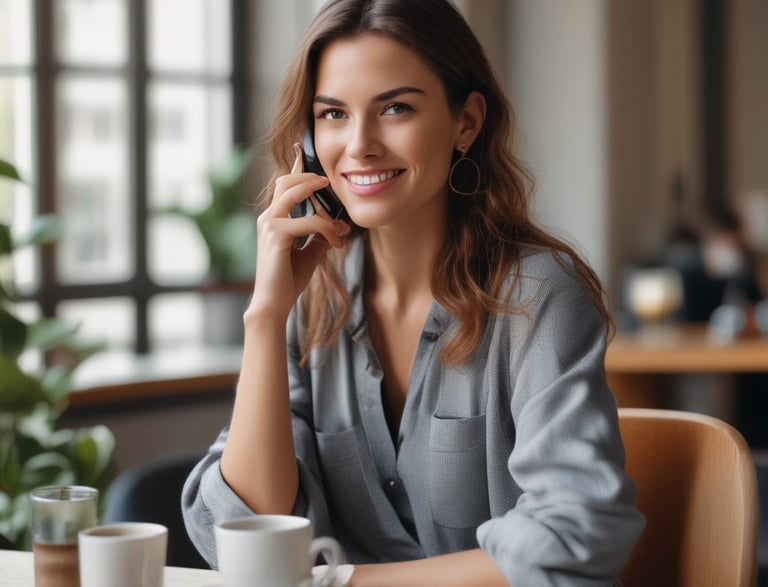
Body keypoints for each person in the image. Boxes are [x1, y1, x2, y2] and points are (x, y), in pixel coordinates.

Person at [181, 0, 645, 585]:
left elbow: (574, 539)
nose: (360, 145)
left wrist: (343, 582)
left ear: (466, 123)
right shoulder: (313, 300)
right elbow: (244, 529)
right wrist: (267, 317)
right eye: (332, 115)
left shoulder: (537, 297)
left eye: (395, 108)